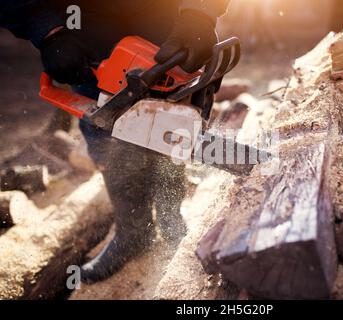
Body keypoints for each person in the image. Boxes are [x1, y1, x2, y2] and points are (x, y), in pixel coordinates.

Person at [0, 0, 230, 283]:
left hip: (165, 16)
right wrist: (48, 30)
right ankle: (134, 232)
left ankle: (172, 218)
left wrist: (200, 13)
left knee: (172, 122)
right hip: (83, 24)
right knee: (107, 131)